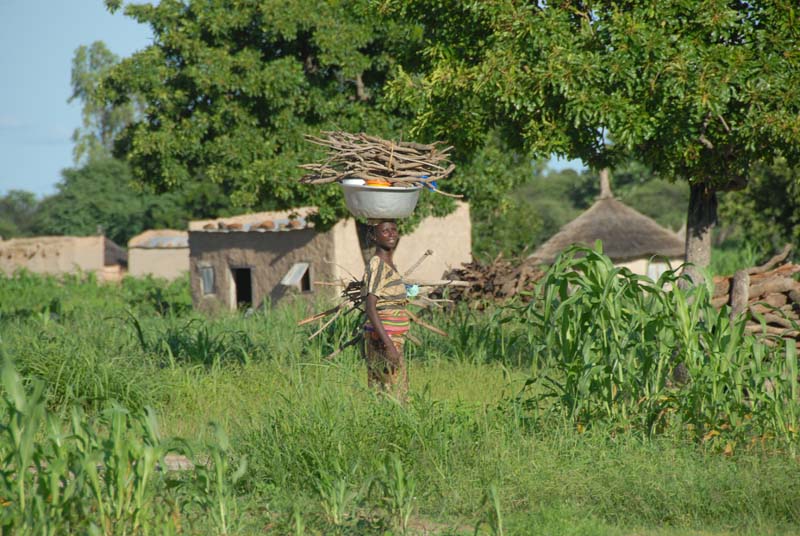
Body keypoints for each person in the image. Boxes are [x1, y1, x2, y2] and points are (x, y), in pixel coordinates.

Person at [362, 220, 409, 398]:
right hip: (384, 339)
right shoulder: (377, 265)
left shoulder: (389, 265)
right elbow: (370, 306)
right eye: (385, 231)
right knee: (392, 393)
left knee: (390, 390)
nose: (391, 234)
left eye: (394, 230)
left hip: (392, 338)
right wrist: (388, 345)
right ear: (374, 236)